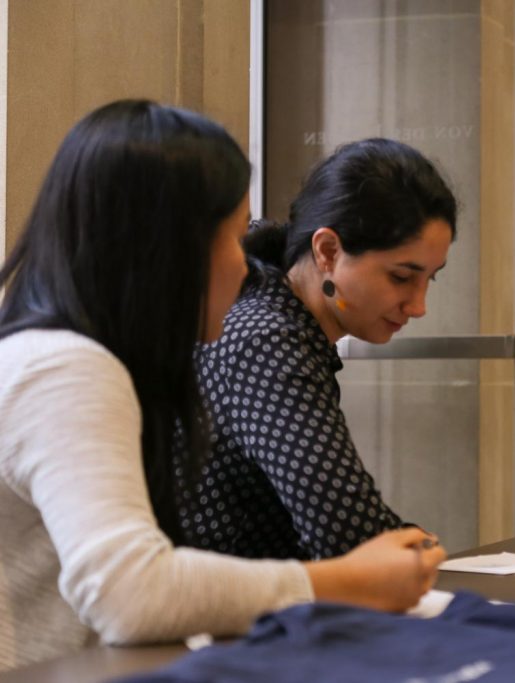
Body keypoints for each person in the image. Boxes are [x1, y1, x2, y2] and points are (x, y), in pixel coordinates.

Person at [0, 100, 445, 672]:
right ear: (162, 251)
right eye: (232, 240)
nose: (245, 266)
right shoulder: (66, 369)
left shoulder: (70, 358)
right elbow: (129, 594)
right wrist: (342, 582)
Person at [176, 138, 456, 560]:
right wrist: (418, 546)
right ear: (327, 251)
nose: (417, 306)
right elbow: (351, 537)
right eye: (401, 277)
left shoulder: (274, 319)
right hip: (231, 617)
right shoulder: (268, 340)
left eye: (429, 279)